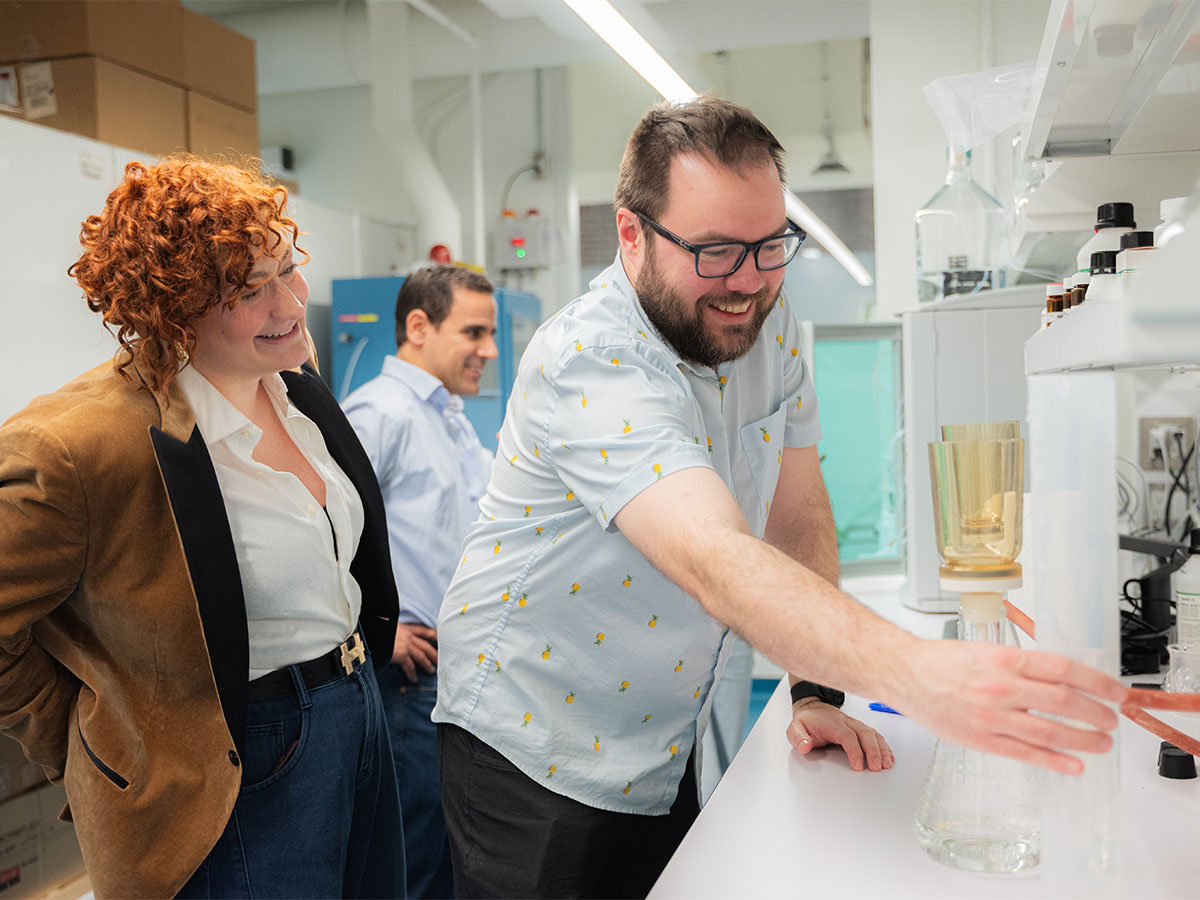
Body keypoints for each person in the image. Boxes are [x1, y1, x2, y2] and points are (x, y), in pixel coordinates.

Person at [431, 96, 1128, 898]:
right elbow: (715, 557)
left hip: (663, 740)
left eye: (771, 246)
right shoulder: (590, 359)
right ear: (632, 235)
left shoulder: (768, 319)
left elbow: (796, 512)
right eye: (719, 250)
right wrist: (921, 675)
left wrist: (815, 687)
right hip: (533, 748)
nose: (750, 281)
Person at [0, 157, 404, 899]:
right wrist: (93, 737)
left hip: (357, 709)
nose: (292, 302)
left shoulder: (295, 389)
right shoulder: (80, 446)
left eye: (289, 268)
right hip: (236, 753)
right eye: (252, 290)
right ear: (171, 308)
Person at [342, 263, 498, 899]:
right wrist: (374, 630)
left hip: (453, 670)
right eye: (474, 332)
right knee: (414, 859)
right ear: (417, 326)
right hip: (408, 676)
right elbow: (320, 537)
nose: (489, 350)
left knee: (443, 851)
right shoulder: (380, 413)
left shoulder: (448, 417)